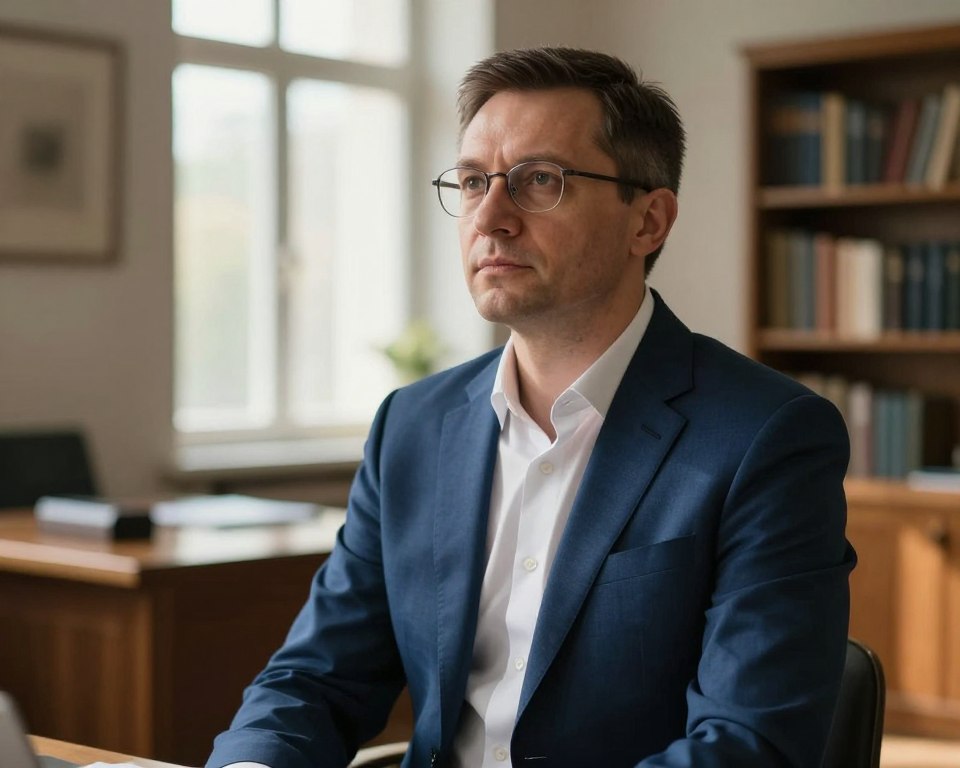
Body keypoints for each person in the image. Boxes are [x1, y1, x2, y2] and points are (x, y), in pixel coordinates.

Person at [206, 47, 855, 768]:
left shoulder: (766, 437)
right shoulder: (412, 427)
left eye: (539, 180)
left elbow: (748, 747)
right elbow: (315, 679)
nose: (490, 215)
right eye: (474, 180)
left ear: (649, 222)